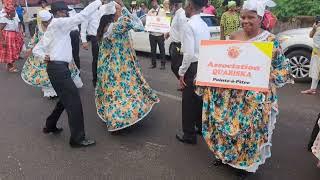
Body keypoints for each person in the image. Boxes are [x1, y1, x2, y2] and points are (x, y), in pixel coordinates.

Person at [196, 0, 292, 175]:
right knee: (227, 126)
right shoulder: (234, 36)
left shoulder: (270, 41)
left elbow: (283, 69)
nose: (246, 21)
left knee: (249, 132)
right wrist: (204, 73)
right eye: (243, 17)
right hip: (231, 95)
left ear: (260, 17)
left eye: (251, 17)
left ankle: (244, 164)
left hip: (254, 98)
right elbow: (220, 61)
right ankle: (226, 156)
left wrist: (268, 74)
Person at [32, 0, 105, 148]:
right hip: (58, 69)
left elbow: (36, 49)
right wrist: (98, 1)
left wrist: (43, 56)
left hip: (56, 69)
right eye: (65, 11)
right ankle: (77, 139)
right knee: (74, 102)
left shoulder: (53, 27)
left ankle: (50, 125)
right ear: (59, 13)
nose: (67, 13)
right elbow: (82, 16)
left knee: (64, 100)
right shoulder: (59, 23)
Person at [95, 0, 160, 132]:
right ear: (113, 14)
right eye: (118, 10)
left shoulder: (105, 27)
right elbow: (139, 26)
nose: (121, 12)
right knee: (125, 91)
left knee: (114, 94)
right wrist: (125, 8)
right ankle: (119, 120)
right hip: (121, 66)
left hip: (108, 68)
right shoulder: (119, 25)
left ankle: (113, 119)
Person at [21, 10, 83, 98]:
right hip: (46, 54)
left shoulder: (57, 24)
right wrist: (31, 48)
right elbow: (36, 38)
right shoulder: (38, 28)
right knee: (48, 75)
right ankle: (52, 93)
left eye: (49, 20)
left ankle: (66, 88)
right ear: (42, 22)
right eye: (45, 22)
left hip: (59, 52)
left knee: (66, 72)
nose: (47, 23)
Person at [175, 0, 210, 144]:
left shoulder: (189, 25)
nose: (185, 8)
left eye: (186, 5)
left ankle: (189, 134)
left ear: (190, 6)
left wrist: (181, 72)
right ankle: (200, 127)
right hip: (203, 64)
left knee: (189, 101)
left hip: (192, 65)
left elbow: (188, 53)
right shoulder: (204, 24)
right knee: (199, 98)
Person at [80, 0, 109, 87]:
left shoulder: (106, 9)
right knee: (96, 59)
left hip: (106, 37)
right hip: (95, 37)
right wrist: (84, 41)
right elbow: (83, 26)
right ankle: (95, 80)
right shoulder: (89, 11)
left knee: (106, 59)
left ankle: (105, 79)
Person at [165, 0, 187, 80]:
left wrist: (182, 49)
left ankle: (184, 83)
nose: (169, 8)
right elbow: (175, 28)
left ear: (175, 5)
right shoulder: (176, 14)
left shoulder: (181, 16)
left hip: (179, 45)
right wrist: (169, 33)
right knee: (174, 66)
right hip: (174, 44)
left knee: (176, 67)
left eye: (170, 5)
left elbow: (183, 33)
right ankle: (182, 82)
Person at [0, 3, 23, 72]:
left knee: (15, 51)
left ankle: (10, 65)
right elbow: (0, 30)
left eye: (14, 11)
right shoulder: (4, 19)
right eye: (13, 11)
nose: (14, 12)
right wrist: (2, 40)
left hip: (15, 36)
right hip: (8, 37)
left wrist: (20, 33)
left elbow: (18, 25)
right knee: (10, 52)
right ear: (9, 12)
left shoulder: (14, 17)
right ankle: (10, 67)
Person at [301, 19, 320, 95]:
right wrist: (314, 28)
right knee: (315, 71)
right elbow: (310, 35)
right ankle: (312, 89)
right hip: (316, 52)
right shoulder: (317, 28)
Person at [147, 0, 166, 70]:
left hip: (160, 34)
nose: (153, 3)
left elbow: (164, 22)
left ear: (157, 2)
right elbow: (148, 22)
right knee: (153, 50)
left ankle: (163, 64)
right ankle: (153, 64)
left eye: (154, 1)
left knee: (162, 50)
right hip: (152, 34)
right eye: (152, 2)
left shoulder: (162, 11)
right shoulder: (149, 12)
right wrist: (148, 28)